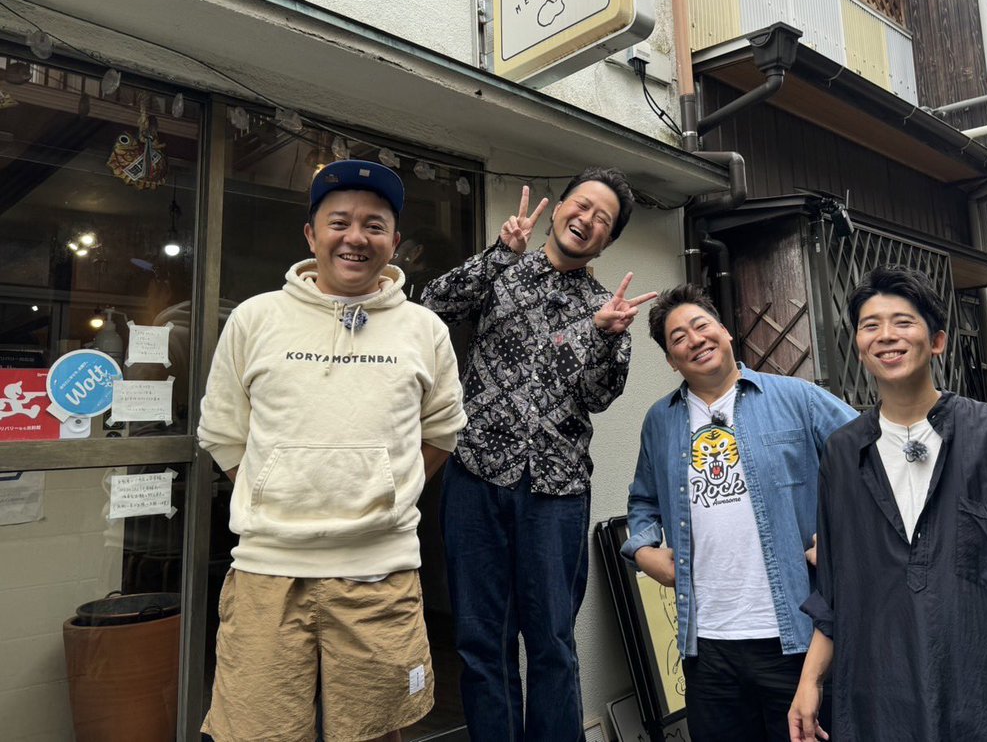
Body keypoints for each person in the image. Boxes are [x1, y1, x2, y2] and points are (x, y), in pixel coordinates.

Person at [198, 159, 467, 742]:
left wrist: (391, 491)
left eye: (374, 225)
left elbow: (442, 430)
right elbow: (223, 430)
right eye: (339, 222)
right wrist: (274, 486)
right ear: (311, 234)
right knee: (258, 733)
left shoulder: (425, 329)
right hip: (268, 569)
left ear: (394, 241)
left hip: (380, 572)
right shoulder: (255, 318)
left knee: (377, 730)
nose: (355, 237)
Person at [789, 265, 987, 742]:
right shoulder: (843, 453)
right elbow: (835, 588)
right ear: (858, 346)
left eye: (903, 322)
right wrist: (810, 680)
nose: (886, 335)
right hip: (884, 696)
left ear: (937, 341)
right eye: (870, 325)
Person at [422, 168, 654, 742]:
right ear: (560, 207)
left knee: (551, 640)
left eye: (603, 219)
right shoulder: (503, 271)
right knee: (482, 640)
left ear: (607, 241)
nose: (587, 220)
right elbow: (432, 305)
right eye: (582, 205)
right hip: (477, 475)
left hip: (557, 490)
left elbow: (597, 397)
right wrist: (499, 254)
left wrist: (602, 336)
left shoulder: (607, 308)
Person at [623, 284, 857, 742]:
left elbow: (872, 456)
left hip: (797, 636)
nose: (694, 339)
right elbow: (643, 500)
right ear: (671, 360)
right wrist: (643, 550)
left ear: (725, 331)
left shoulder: (797, 398)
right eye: (678, 338)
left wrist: (842, 533)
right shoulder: (660, 421)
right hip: (706, 647)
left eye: (701, 325)